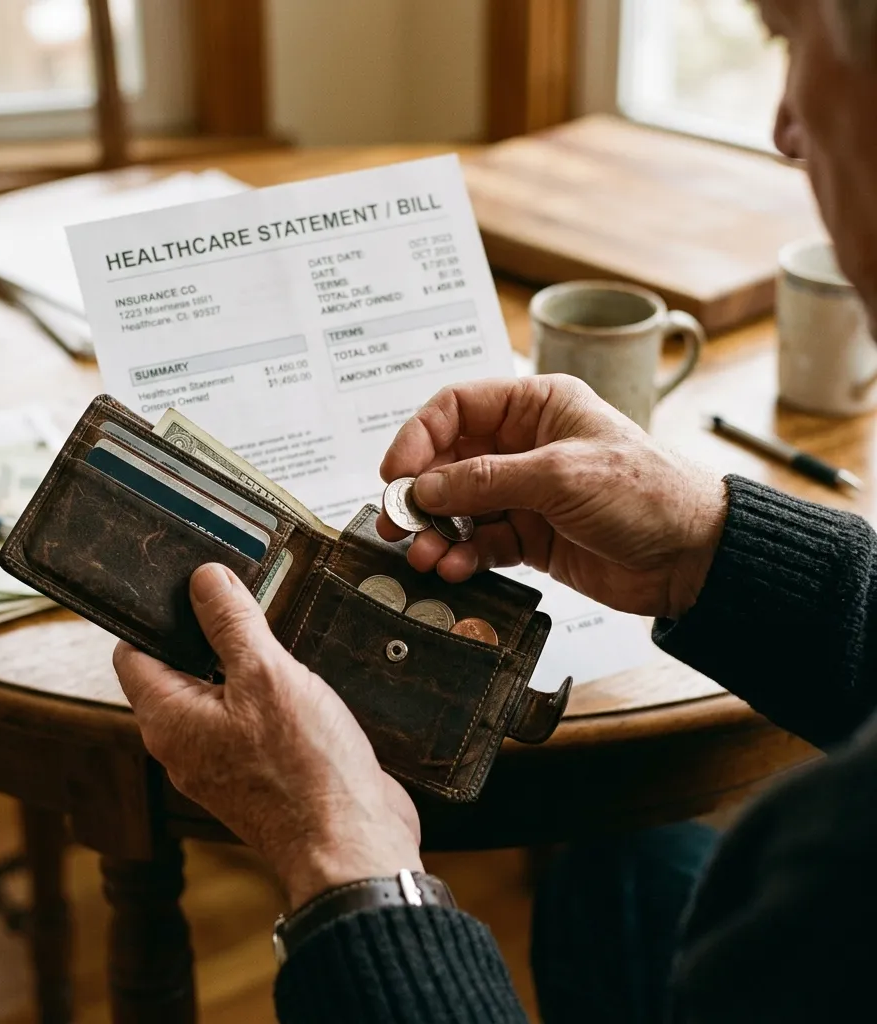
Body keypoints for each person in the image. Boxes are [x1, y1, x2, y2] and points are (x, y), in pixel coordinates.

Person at [113, 0, 877, 1020]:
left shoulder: (830, 863)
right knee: (624, 861)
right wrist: (706, 545)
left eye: (792, 40)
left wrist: (346, 860)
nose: (784, 128)